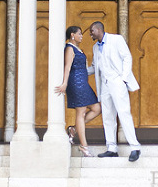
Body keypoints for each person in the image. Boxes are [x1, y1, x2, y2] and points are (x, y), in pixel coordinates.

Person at [88, 20, 141, 161]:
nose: (90, 34)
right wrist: (80, 72)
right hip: (104, 85)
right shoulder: (95, 47)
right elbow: (94, 67)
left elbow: (127, 57)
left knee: (123, 112)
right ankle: (111, 148)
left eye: (91, 31)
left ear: (98, 30)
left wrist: (123, 78)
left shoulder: (116, 39)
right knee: (107, 116)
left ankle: (135, 147)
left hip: (117, 81)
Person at [54, 25, 101, 157]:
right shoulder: (69, 48)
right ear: (72, 35)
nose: (81, 36)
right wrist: (64, 83)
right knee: (81, 112)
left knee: (97, 108)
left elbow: (84, 68)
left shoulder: (77, 49)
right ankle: (84, 146)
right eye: (79, 34)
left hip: (83, 83)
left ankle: (73, 129)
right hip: (76, 83)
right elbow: (67, 67)